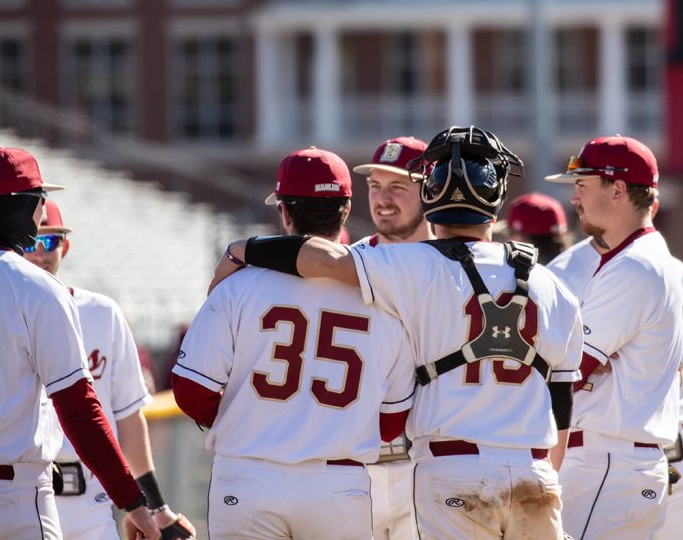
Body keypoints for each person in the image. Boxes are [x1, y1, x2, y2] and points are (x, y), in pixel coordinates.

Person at [215, 126, 584, 540]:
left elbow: (321, 258)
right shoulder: (554, 285)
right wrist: (544, 477)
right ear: (496, 202)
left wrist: (241, 248)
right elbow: (562, 403)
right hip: (535, 472)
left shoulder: (410, 265)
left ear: (430, 198)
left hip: (452, 471)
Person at [0, 147, 158, 540]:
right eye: (40, 199)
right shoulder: (37, 288)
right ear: (24, 206)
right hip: (6, 497)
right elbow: (79, 411)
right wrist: (133, 501)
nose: (42, 211)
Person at [172, 147, 416, 540]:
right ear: (346, 207)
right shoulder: (386, 296)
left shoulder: (237, 286)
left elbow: (190, 392)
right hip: (341, 480)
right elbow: (390, 422)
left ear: (284, 211)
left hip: (249, 472)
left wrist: (247, 417)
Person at [550, 228, 683, 539]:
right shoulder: (562, 272)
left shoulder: (674, 274)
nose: (578, 197)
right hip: (594, 455)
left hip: (676, 460)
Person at [24, 199, 194, 540]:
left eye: (50, 241)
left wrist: (156, 507)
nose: (40, 252)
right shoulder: (0, 316)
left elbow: (129, 419)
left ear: (65, 247)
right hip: (22, 495)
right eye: (31, 242)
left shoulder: (101, 313)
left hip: (92, 500)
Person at [543, 134, 683, 539]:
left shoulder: (637, 267)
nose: (575, 198)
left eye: (583, 185)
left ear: (618, 189)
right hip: (610, 461)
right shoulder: (626, 260)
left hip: (611, 463)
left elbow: (566, 370)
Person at [351, 136, 433, 540]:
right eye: (374, 187)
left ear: (429, 190)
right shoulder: (349, 262)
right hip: (355, 465)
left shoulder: (455, 265)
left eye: (398, 187)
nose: (383, 199)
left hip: (427, 463)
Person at [498, 192, 571, 262]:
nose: (507, 240)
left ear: (526, 239)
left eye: (510, 232)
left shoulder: (520, 273)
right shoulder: (575, 266)